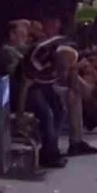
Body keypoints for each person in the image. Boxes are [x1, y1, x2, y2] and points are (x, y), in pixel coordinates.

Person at [24, 16, 72, 167]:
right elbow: (25, 84)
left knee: (60, 109)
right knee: (47, 114)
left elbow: (53, 77)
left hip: (42, 84)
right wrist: (19, 113)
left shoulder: (64, 52)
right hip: (27, 86)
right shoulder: (37, 57)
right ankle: (49, 153)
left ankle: (51, 149)